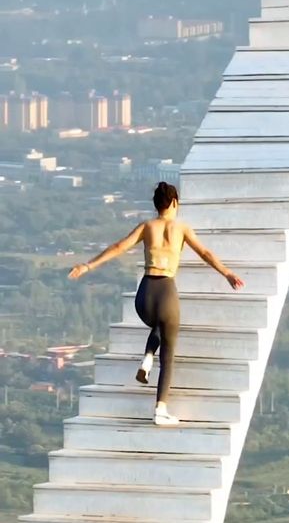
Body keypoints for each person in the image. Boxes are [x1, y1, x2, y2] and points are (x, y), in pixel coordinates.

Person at [68, 181, 244, 425]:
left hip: (145, 294)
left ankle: (148, 356)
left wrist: (86, 265)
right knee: (168, 353)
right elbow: (205, 253)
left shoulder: (146, 226)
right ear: (174, 202)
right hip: (166, 291)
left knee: (159, 325)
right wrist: (227, 273)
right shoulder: (181, 228)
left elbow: (119, 247)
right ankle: (160, 407)